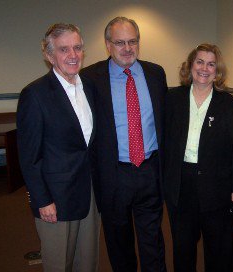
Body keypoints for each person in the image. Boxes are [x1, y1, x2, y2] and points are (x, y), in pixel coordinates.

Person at [80, 17, 167, 272]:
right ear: (108, 44)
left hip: (150, 169)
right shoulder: (90, 78)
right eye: (120, 42)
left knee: (153, 240)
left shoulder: (155, 73)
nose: (127, 48)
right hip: (114, 174)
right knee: (119, 243)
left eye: (132, 41)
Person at [17, 23, 100, 272]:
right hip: (56, 199)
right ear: (49, 55)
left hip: (90, 194)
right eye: (64, 49)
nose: (72, 55)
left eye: (77, 48)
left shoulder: (91, 88)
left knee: (87, 262)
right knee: (58, 265)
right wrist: (42, 200)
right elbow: (29, 156)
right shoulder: (35, 94)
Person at [164, 43, 233, 272]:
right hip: (181, 185)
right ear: (190, 66)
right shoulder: (172, 98)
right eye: (200, 62)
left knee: (219, 251)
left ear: (217, 71)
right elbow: (163, 140)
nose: (204, 68)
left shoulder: (229, 104)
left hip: (217, 187)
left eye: (211, 64)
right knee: (182, 249)